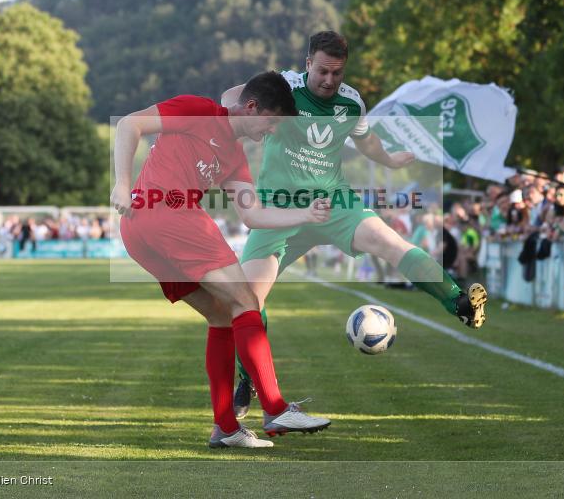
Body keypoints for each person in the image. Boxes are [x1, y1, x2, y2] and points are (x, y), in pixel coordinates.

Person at [222, 31, 488, 418]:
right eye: (323, 71)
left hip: (335, 203)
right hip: (279, 210)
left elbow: (367, 142)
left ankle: (459, 301)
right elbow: (234, 96)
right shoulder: (286, 86)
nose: (330, 80)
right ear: (308, 62)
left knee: (391, 243)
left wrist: (392, 161)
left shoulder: (351, 102)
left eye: (338, 73)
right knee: (246, 299)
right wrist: (227, 115)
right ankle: (247, 380)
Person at [110, 71, 332, 449]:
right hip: (166, 213)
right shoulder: (199, 109)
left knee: (221, 315)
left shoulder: (234, 155)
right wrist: (121, 182)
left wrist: (306, 215)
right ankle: (276, 408)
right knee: (246, 300)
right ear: (251, 106)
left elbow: (253, 215)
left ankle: (226, 428)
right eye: (272, 121)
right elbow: (131, 124)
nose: (272, 131)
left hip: (140, 232)